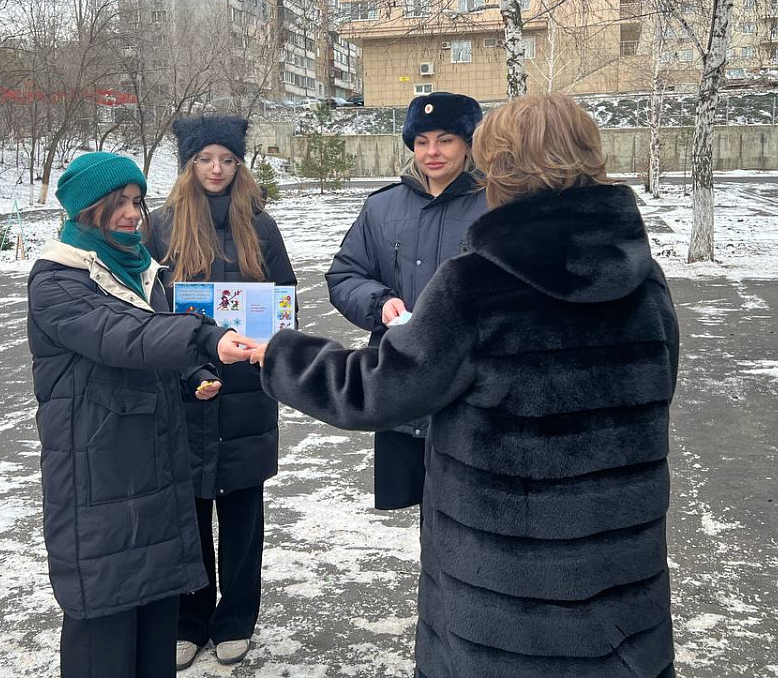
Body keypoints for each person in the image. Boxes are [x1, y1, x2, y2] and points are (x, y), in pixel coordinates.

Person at [252, 93, 679, 678]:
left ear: (501, 168)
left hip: (508, 591)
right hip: (619, 578)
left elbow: (377, 390)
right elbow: (661, 387)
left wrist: (279, 354)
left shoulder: (477, 285)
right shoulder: (644, 279)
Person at [26, 151, 257, 678]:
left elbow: (150, 339)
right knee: (105, 630)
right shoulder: (59, 281)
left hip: (153, 472)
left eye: (137, 201)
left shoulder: (136, 270)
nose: (133, 214)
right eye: (119, 203)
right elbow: (122, 334)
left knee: (155, 624)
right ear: (87, 210)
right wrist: (204, 337)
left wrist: (192, 374)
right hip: (98, 478)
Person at [147, 116, 297, 671]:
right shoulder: (160, 226)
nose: (217, 169)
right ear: (189, 164)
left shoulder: (261, 226)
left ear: (240, 164)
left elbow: (285, 300)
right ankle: (188, 619)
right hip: (184, 389)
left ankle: (235, 619)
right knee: (186, 514)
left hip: (247, 390)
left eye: (228, 160)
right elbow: (148, 306)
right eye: (205, 159)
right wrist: (186, 365)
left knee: (242, 515)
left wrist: (270, 346)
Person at [325, 91, 488, 513]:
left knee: (471, 513)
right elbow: (345, 275)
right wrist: (378, 302)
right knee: (422, 516)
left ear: (468, 142)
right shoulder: (382, 208)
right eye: (421, 141)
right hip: (401, 382)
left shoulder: (497, 203)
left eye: (445, 139)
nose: (432, 152)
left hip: (472, 390)